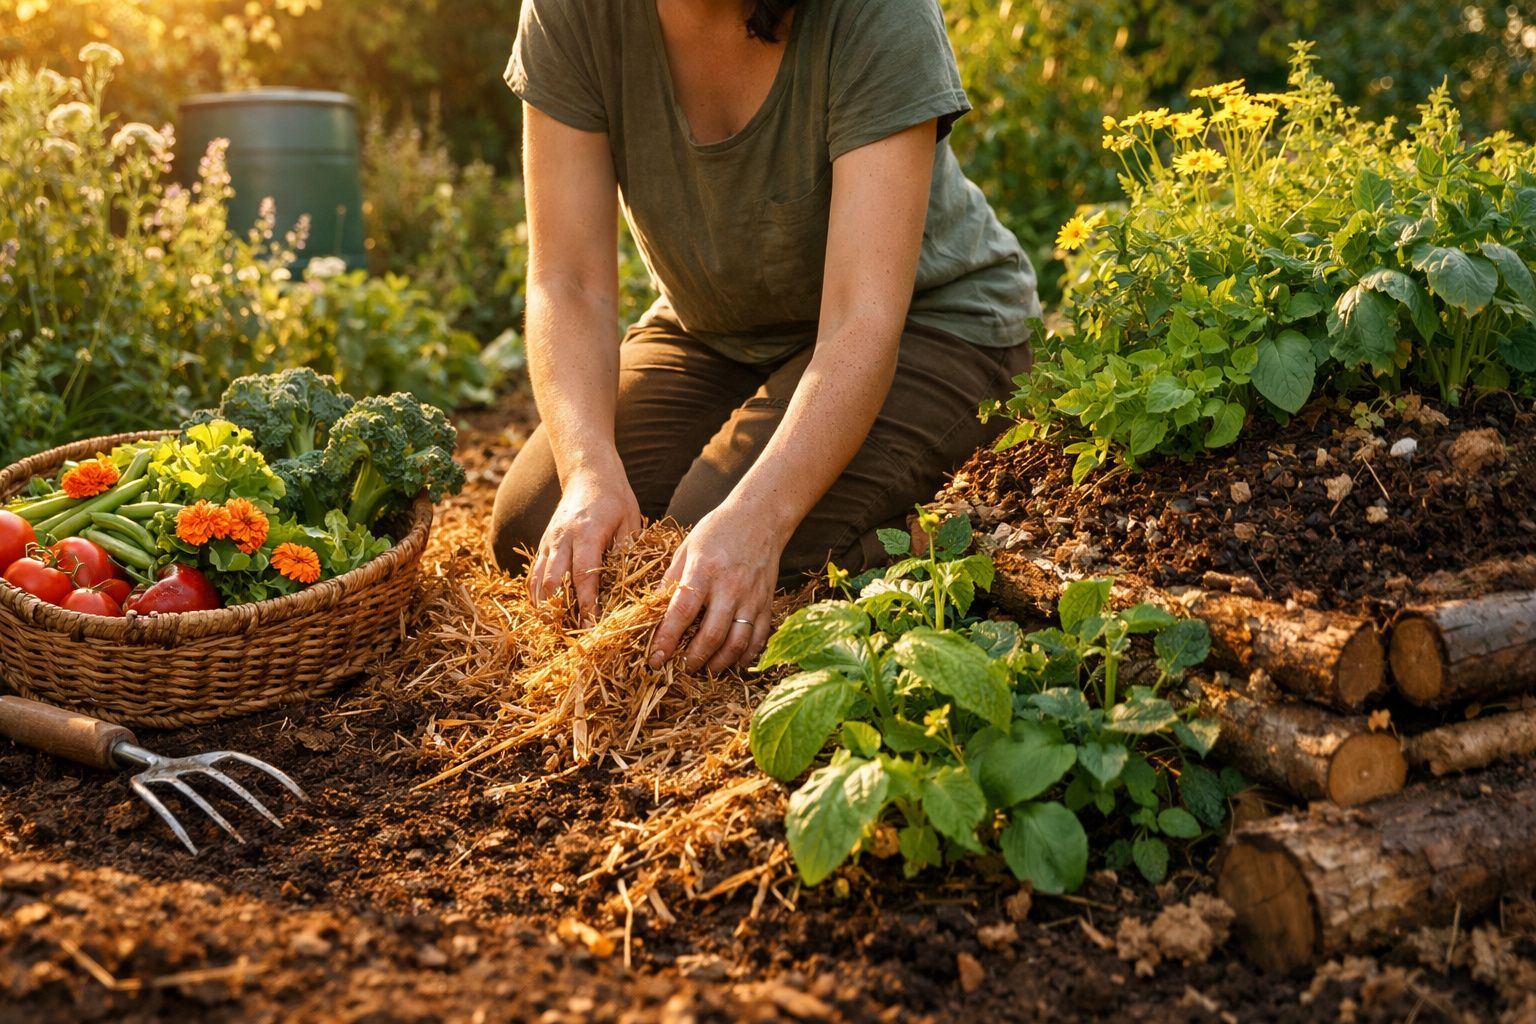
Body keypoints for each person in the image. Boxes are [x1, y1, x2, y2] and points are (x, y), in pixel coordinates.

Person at [489, 0, 1041, 675]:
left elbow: (860, 317)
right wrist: (587, 472)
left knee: (708, 548)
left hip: (929, 322)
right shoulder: (572, 12)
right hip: (714, 329)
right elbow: (569, 282)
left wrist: (762, 517)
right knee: (535, 522)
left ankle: (955, 534)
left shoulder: (878, 13)